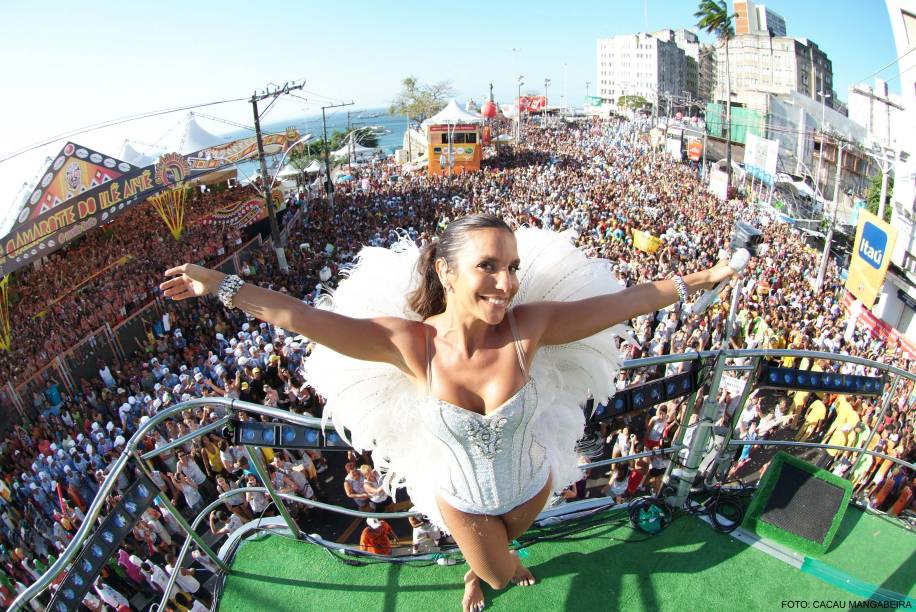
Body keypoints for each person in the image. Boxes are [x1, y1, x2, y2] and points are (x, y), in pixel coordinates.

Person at [161, 214, 735, 612]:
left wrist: (702, 279)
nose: (507, 283)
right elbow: (302, 318)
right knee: (500, 571)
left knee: (499, 559)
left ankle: (484, 566)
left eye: (512, 267)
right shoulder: (410, 344)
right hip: (465, 501)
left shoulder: (528, 327)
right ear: (446, 272)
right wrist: (221, 285)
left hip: (535, 485)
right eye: (489, 266)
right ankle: (486, 569)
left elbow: (623, 302)